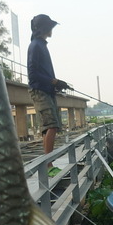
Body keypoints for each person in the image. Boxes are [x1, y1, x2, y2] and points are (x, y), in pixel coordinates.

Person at [27, 14, 70, 176]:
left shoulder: (42, 45)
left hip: (47, 90)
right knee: (51, 125)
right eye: (51, 27)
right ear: (44, 28)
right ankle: (48, 165)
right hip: (40, 90)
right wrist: (53, 81)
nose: (52, 29)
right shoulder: (36, 45)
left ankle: (49, 163)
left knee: (50, 127)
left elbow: (43, 72)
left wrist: (57, 85)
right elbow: (33, 75)